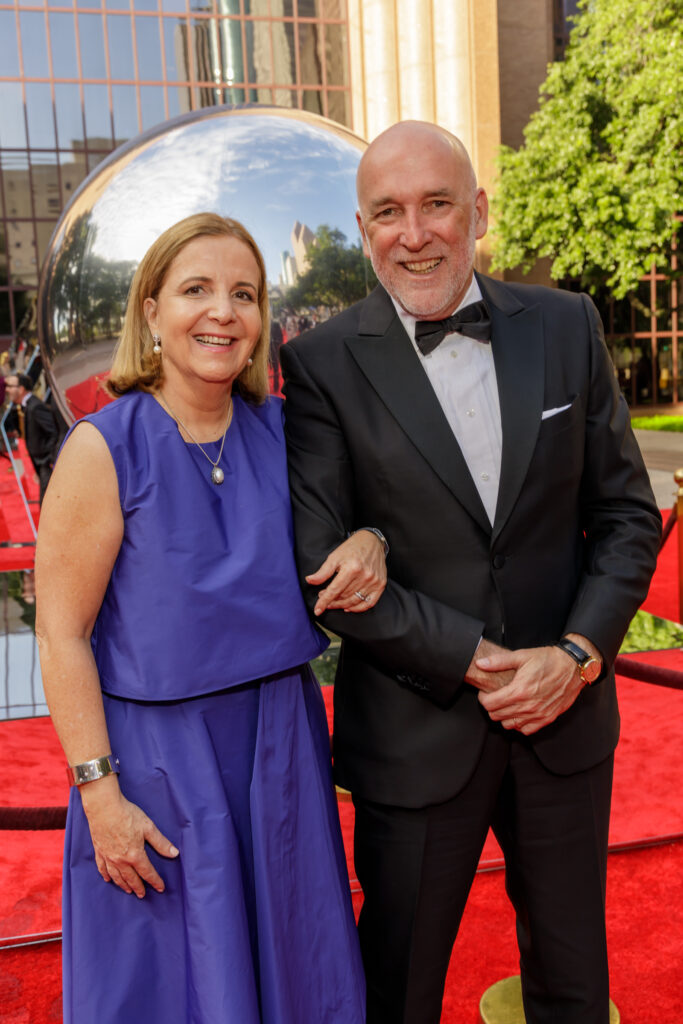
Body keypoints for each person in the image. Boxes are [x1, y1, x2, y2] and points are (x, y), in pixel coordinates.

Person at [280, 121, 661, 1024]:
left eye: (436, 205)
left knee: (572, 987)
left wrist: (570, 656)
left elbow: (626, 516)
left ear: (477, 211)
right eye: (387, 213)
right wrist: (484, 661)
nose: (414, 233)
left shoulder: (564, 325)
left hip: (565, 728)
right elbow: (319, 564)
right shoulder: (319, 363)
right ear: (363, 227)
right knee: (398, 990)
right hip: (415, 738)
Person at [35, 212, 387, 1023]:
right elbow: (61, 634)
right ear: (151, 312)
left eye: (243, 293)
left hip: (278, 748)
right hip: (157, 768)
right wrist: (99, 796)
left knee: (294, 972)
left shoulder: (285, 431)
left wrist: (372, 538)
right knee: (175, 987)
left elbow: (368, 519)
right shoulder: (104, 447)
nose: (222, 312)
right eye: (196, 289)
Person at [5, 372, 59, 502]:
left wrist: (48, 459)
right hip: (41, 464)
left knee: (46, 502)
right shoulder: (28, 405)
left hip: (46, 463)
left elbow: (54, 432)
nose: (6, 389)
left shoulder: (35, 406)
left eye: (10, 386)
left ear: (21, 389)